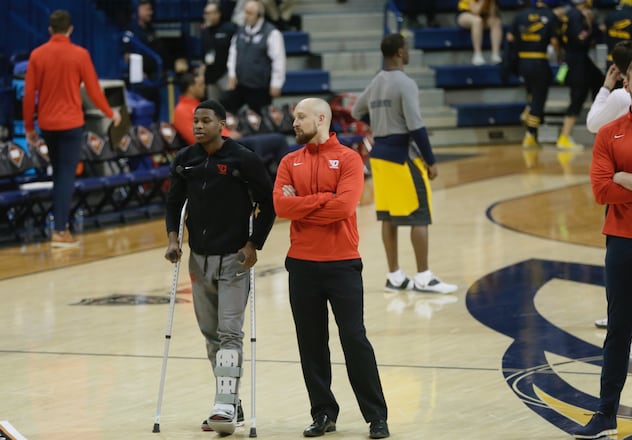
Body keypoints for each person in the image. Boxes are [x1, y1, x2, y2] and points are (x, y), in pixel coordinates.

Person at [273, 97, 390, 439]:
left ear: (321, 118)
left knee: (354, 339)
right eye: (294, 117)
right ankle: (323, 413)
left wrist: (303, 206)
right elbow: (281, 205)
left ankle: (376, 416)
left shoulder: (350, 159)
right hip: (302, 266)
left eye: (300, 117)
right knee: (311, 343)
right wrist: (322, 199)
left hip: (342, 264)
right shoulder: (289, 161)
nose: (294, 123)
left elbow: (343, 208)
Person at [164, 99, 275, 434]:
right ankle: (230, 402)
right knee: (210, 335)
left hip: (234, 260)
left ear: (222, 124)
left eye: (206, 120)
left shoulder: (243, 159)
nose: (198, 125)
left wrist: (255, 244)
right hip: (199, 260)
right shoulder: (185, 161)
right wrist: (173, 240)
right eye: (195, 120)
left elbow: (267, 203)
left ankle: (223, 404)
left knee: (229, 333)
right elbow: (174, 203)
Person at [572, 56, 632, 439]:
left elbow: (616, 186)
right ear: (626, 85)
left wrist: (630, 182)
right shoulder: (609, 133)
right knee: (618, 332)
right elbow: (600, 190)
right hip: (622, 243)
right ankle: (606, 413)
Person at [352, 33, 457, 294]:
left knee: (389, 217)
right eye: (407, 48)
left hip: (379, 157)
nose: (408, 52)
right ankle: (423, 276)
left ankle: (395, 276)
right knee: (419, 215)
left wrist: (378, 122)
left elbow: (356, 111)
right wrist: (431, 161)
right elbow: (417, 127)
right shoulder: (405, 83)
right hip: (402, 157)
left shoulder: (376, 82)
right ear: (400, 52)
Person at [23, 9, 121, 247]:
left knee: (59, 174)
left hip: (47, 123)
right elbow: (94, 90)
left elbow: (28, 95)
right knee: (66, 176)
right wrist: (111, 113)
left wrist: (29, 128)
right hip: (71, 124)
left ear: (50, 30)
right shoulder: (80, 54)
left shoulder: (37, 55)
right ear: (70, 30)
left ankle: (59, 226)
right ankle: (59, 231)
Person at [585, 40, 632, 331]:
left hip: (628, 193)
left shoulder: (621, 96)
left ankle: (628, 312)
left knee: (625, 259)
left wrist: (604, 86)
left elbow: (592, 123)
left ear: (616, 69)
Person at [507, 0, 560, 149]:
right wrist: (559, 54)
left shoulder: (520, 15)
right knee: (539, 97)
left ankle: (528, 110)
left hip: (522, 61)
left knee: (531, 91)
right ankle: (530, 134)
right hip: (538, 60)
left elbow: (510, 38)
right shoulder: (549, 15)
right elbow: (555, 41)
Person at [556, 0, 603, 149]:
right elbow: (581, 40)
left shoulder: (567, 14)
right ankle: (564, 137)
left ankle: (599, 130)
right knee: (577, 98)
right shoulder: (576, 16)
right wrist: (592, 27)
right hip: (578, 62)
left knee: (600, 83)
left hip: (575, 59)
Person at [224, 0, 286, 113]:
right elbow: (233, 54)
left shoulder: (272, 33)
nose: (246, 16)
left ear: (259, 15)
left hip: (260, 87)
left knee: (261, 117)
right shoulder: (240, 31)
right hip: (240, 84)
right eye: (245, 12)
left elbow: (278, 60)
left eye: (250, 13)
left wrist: (276, 83)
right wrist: (232, 75)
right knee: (229, 109)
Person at [201, 1, 238, 102]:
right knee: (214, 108)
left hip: (226, 74)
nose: (206, 16)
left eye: (209, 13)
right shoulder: (205, 31)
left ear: (218, 14)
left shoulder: (229, 29)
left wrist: (233, 75)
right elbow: (204, 52)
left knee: (229, 105)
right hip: (210, 75)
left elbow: (235, 53)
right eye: (205, 13)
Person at [456, 0, 503, 65]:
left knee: (496, 22)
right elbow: (475, 12)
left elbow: (492, 15)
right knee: (477, 21)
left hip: (483, 16)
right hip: (465, 14)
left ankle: (495, 54)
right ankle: (477, 54)